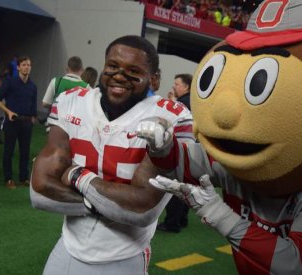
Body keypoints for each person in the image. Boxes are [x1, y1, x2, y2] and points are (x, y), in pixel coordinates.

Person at [30, 35, 194, 274]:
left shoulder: (171, 117)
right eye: (113, 67)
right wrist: (108, 203)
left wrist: (75, 175)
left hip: (124, 256)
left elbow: (142, 210)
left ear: (154, 79)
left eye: (133, 70)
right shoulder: (71, 101)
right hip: (68, 246)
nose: (119, 75)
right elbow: (40, 191)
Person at [0, 56, 37, 189]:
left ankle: (24, 178)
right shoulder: (9, 82)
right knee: (9, 151)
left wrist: (33, 118)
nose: (26, 67)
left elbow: (33, 104)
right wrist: (8, 112)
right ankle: (9, 179)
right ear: (18, 67)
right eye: (24, 65)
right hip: (12, 121)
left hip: (26, 123)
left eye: (28, 65)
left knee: (25, 151)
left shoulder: (32, 86)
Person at [156, 73, 192, 233]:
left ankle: (172, 223)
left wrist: (172, 103)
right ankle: (181, 219)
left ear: (186, 87)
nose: (174, 87)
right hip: (190, 151)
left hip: (181, 151)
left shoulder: (184, 104)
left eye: (177, 84)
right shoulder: (191, 101)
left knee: (174, 188)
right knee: (184, 187)